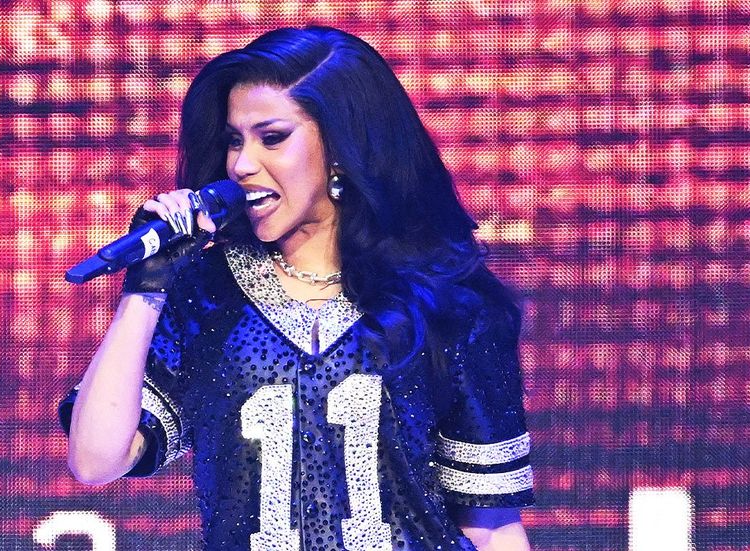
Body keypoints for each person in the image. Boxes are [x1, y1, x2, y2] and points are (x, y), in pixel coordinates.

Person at [59, 26, 534, 551]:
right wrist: (146, 287)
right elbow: (95, 460)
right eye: (234, 140)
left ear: (342, 147)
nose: (241, 165)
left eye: (272, 138)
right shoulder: (206, 293)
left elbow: (492, 527)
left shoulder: (446, 300)